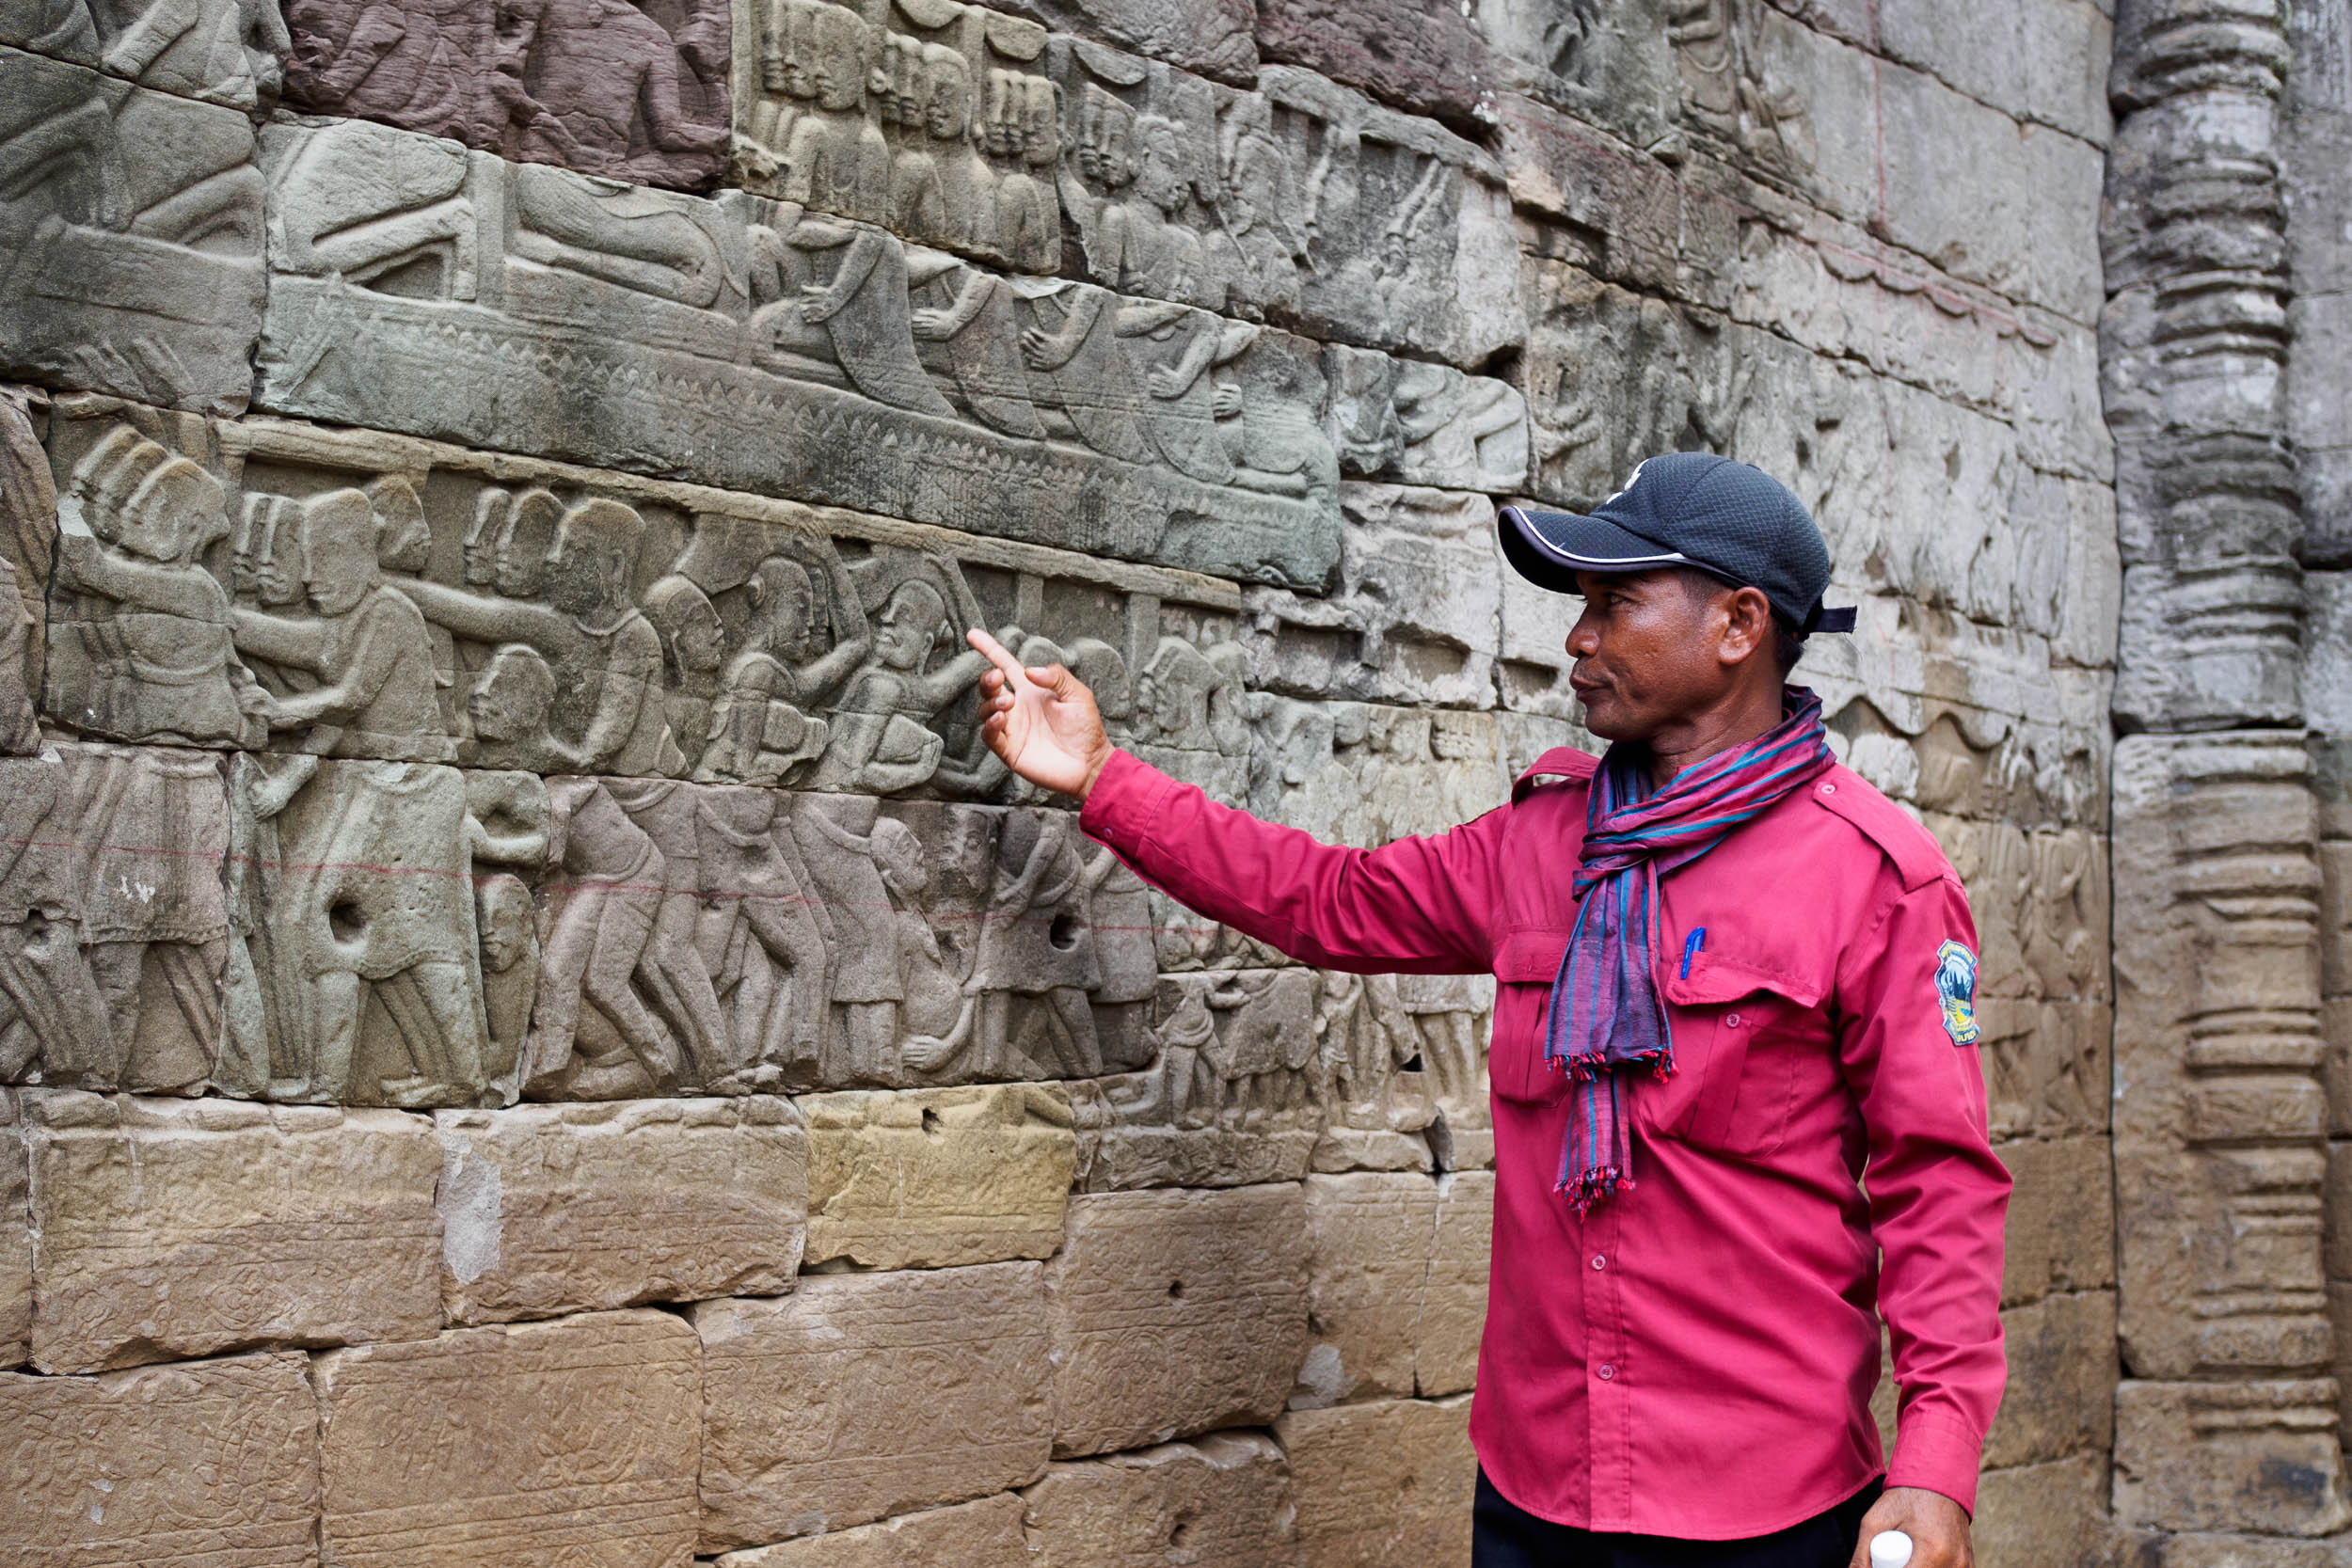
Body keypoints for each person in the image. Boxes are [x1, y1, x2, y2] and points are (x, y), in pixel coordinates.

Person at [966, 452, 2008, 1568]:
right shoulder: (1542, 841)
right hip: (1537, 1483)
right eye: (1580, 607)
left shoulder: (1876, 878)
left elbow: (1937, 1186)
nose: (1579, 638)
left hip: (1759, 1500)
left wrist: (1933, 1469)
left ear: (1740, 624)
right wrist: (1101, 778)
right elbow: (1328, 900)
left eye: (1616, 604)